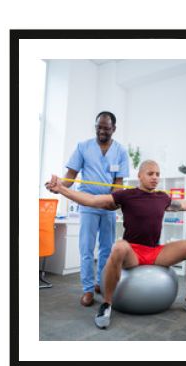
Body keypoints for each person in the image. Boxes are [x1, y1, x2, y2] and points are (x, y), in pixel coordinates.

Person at [46, 160, 186, 329]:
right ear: (140, 176)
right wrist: (62, 189)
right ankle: (107, 304)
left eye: (157, 174)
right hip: (132, 252)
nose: (155, 177)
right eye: (150, 174)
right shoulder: (126, 195)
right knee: (119, 246)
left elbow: (182, 205)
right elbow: (92, 200)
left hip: (154, 251)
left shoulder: (162, 197)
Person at [46, 111, 129, 307]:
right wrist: (59, 187)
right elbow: (71, 175)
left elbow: (118, 182)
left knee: (107, 249)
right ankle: (88, 289)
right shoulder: (83, 147)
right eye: (98, 127)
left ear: (113, 129)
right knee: (86, 248)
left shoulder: (121, 151)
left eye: (106, 128)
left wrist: (115, 201)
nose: (101, 131)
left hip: (108, 205)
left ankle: (101, 283)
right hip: (87, 204)